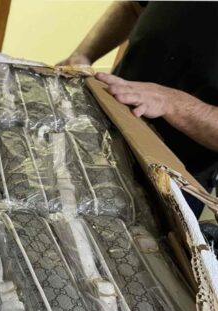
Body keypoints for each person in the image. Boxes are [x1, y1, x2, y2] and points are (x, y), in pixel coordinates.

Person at [59, 1, 218, 216]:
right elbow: (132, 6)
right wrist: (83, 55)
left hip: (170, 180)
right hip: (102, 126)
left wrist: (172, 102)